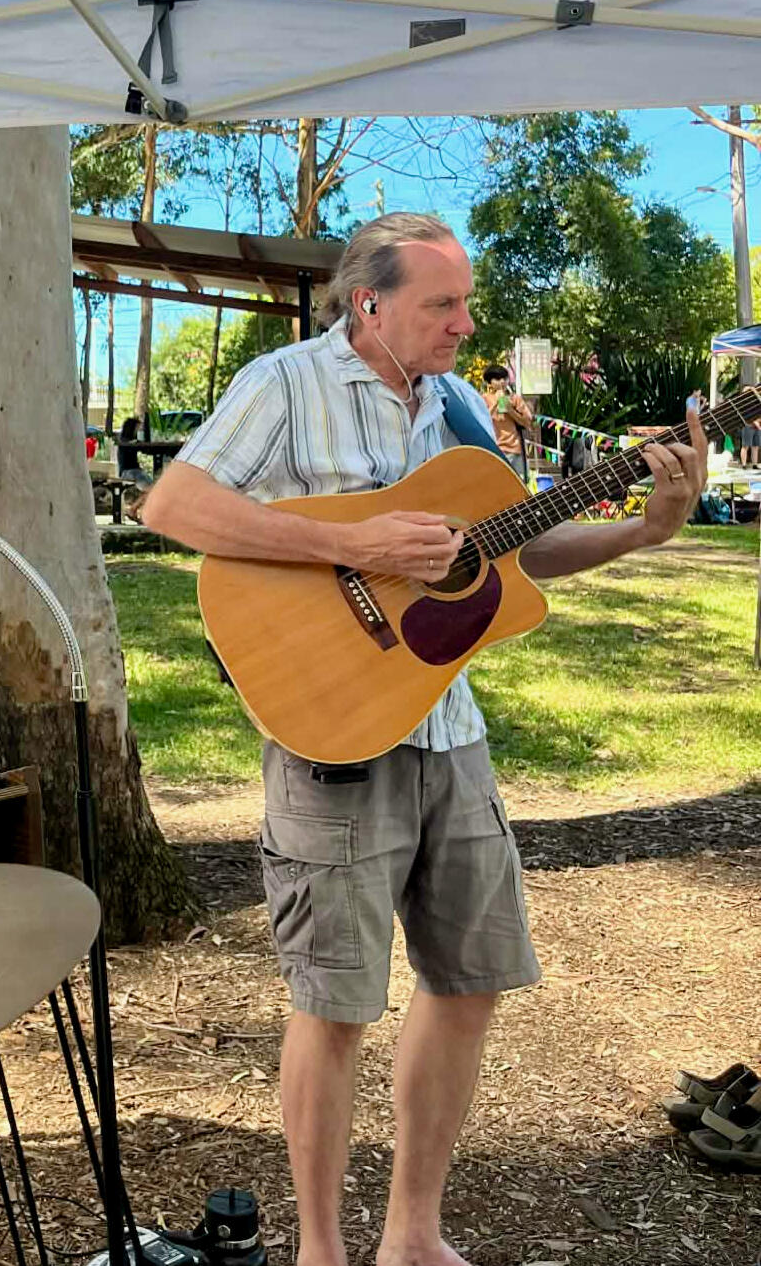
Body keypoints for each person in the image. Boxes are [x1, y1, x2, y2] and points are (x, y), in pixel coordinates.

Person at [141, 213, 705, 1266]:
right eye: (442, 304)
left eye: (465, 301)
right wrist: (348, 541)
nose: (465, 323)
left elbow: (508, 557)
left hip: (449, 730)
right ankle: (319, 1250)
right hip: (332, 732)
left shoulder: (453, 406)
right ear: (369, 304)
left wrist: (642, 529)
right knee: (337, 1003)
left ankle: (412, 1234)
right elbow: (172, 503)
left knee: (470, 983)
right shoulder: (285, 383)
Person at [481, 365, 533, 482]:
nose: (502, 382)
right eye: (498, 379)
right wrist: (496, 403)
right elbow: (481, 421)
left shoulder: (514, 399)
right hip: (493, 450)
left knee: (518, 483)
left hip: (514, 448)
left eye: (504, 378)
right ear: (489, 382)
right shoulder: (483, 399)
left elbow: (527, 422)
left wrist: (511, 411)